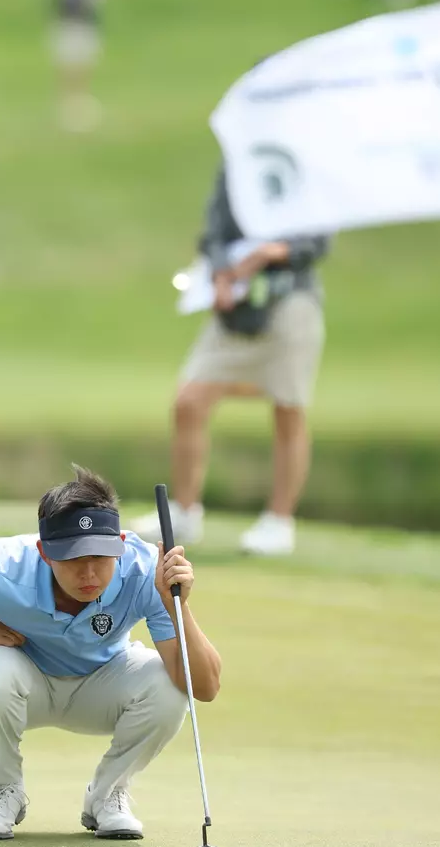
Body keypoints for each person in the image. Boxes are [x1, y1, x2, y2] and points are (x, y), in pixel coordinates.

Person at [0, 465, 221, 841]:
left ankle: (107, 796)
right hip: (24, 683)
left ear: (119, 543)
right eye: (71, 558)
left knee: (166, 685)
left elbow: (205, 686)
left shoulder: (149, 571)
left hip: (103, 686)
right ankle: (3, 792)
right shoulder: (0, 567)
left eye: (100, 557)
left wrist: (175, 605)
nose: (88, 573)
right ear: (44, 551)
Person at [132, 167, 330, 557]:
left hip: (291, 302)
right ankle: (185, 512)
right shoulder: (237, 160)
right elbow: (215, 232)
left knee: (288, 409)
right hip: (232, 307)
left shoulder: (303, 159)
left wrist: (272, 253)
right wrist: (223, 272)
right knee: (189, 401)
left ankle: (279, 521)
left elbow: (318, 241)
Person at [50, 0, 105, 131]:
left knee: (84, 68)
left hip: (84, 31)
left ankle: (81, 100)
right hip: (70, 31)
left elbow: (92, 11)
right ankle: (68, 102)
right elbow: (65, 8)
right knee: (69, 68)